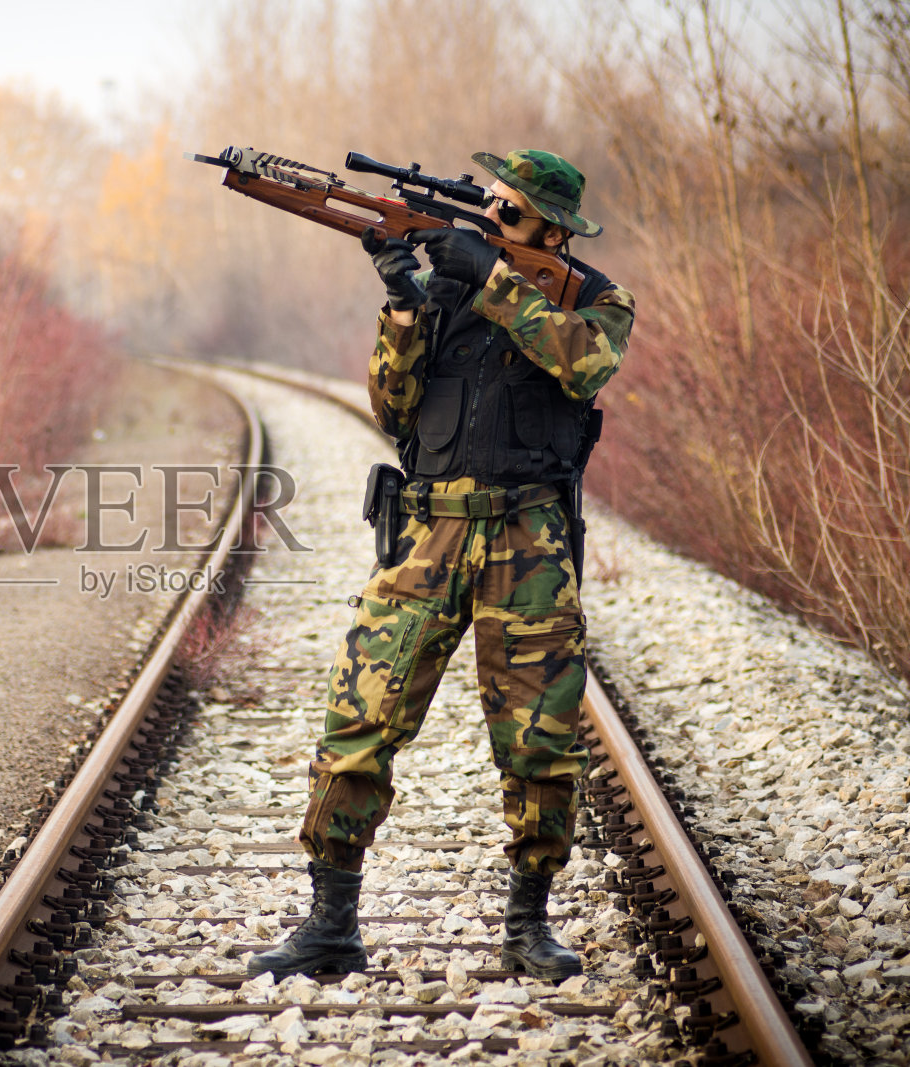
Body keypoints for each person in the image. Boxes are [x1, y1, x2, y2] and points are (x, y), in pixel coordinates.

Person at [247, 149, 636, 982]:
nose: (491, 217)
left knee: (540, 745)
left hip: (530, 543)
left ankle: (528, 927)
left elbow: (587, 362)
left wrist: (495, 280)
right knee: (359, 721)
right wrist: (402, 301)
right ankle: (329, 924)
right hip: (427, 536)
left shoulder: (597, 298)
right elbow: (391, 411)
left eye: (510, 211)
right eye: (488, 205)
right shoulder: (448, 291)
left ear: (552, 230)